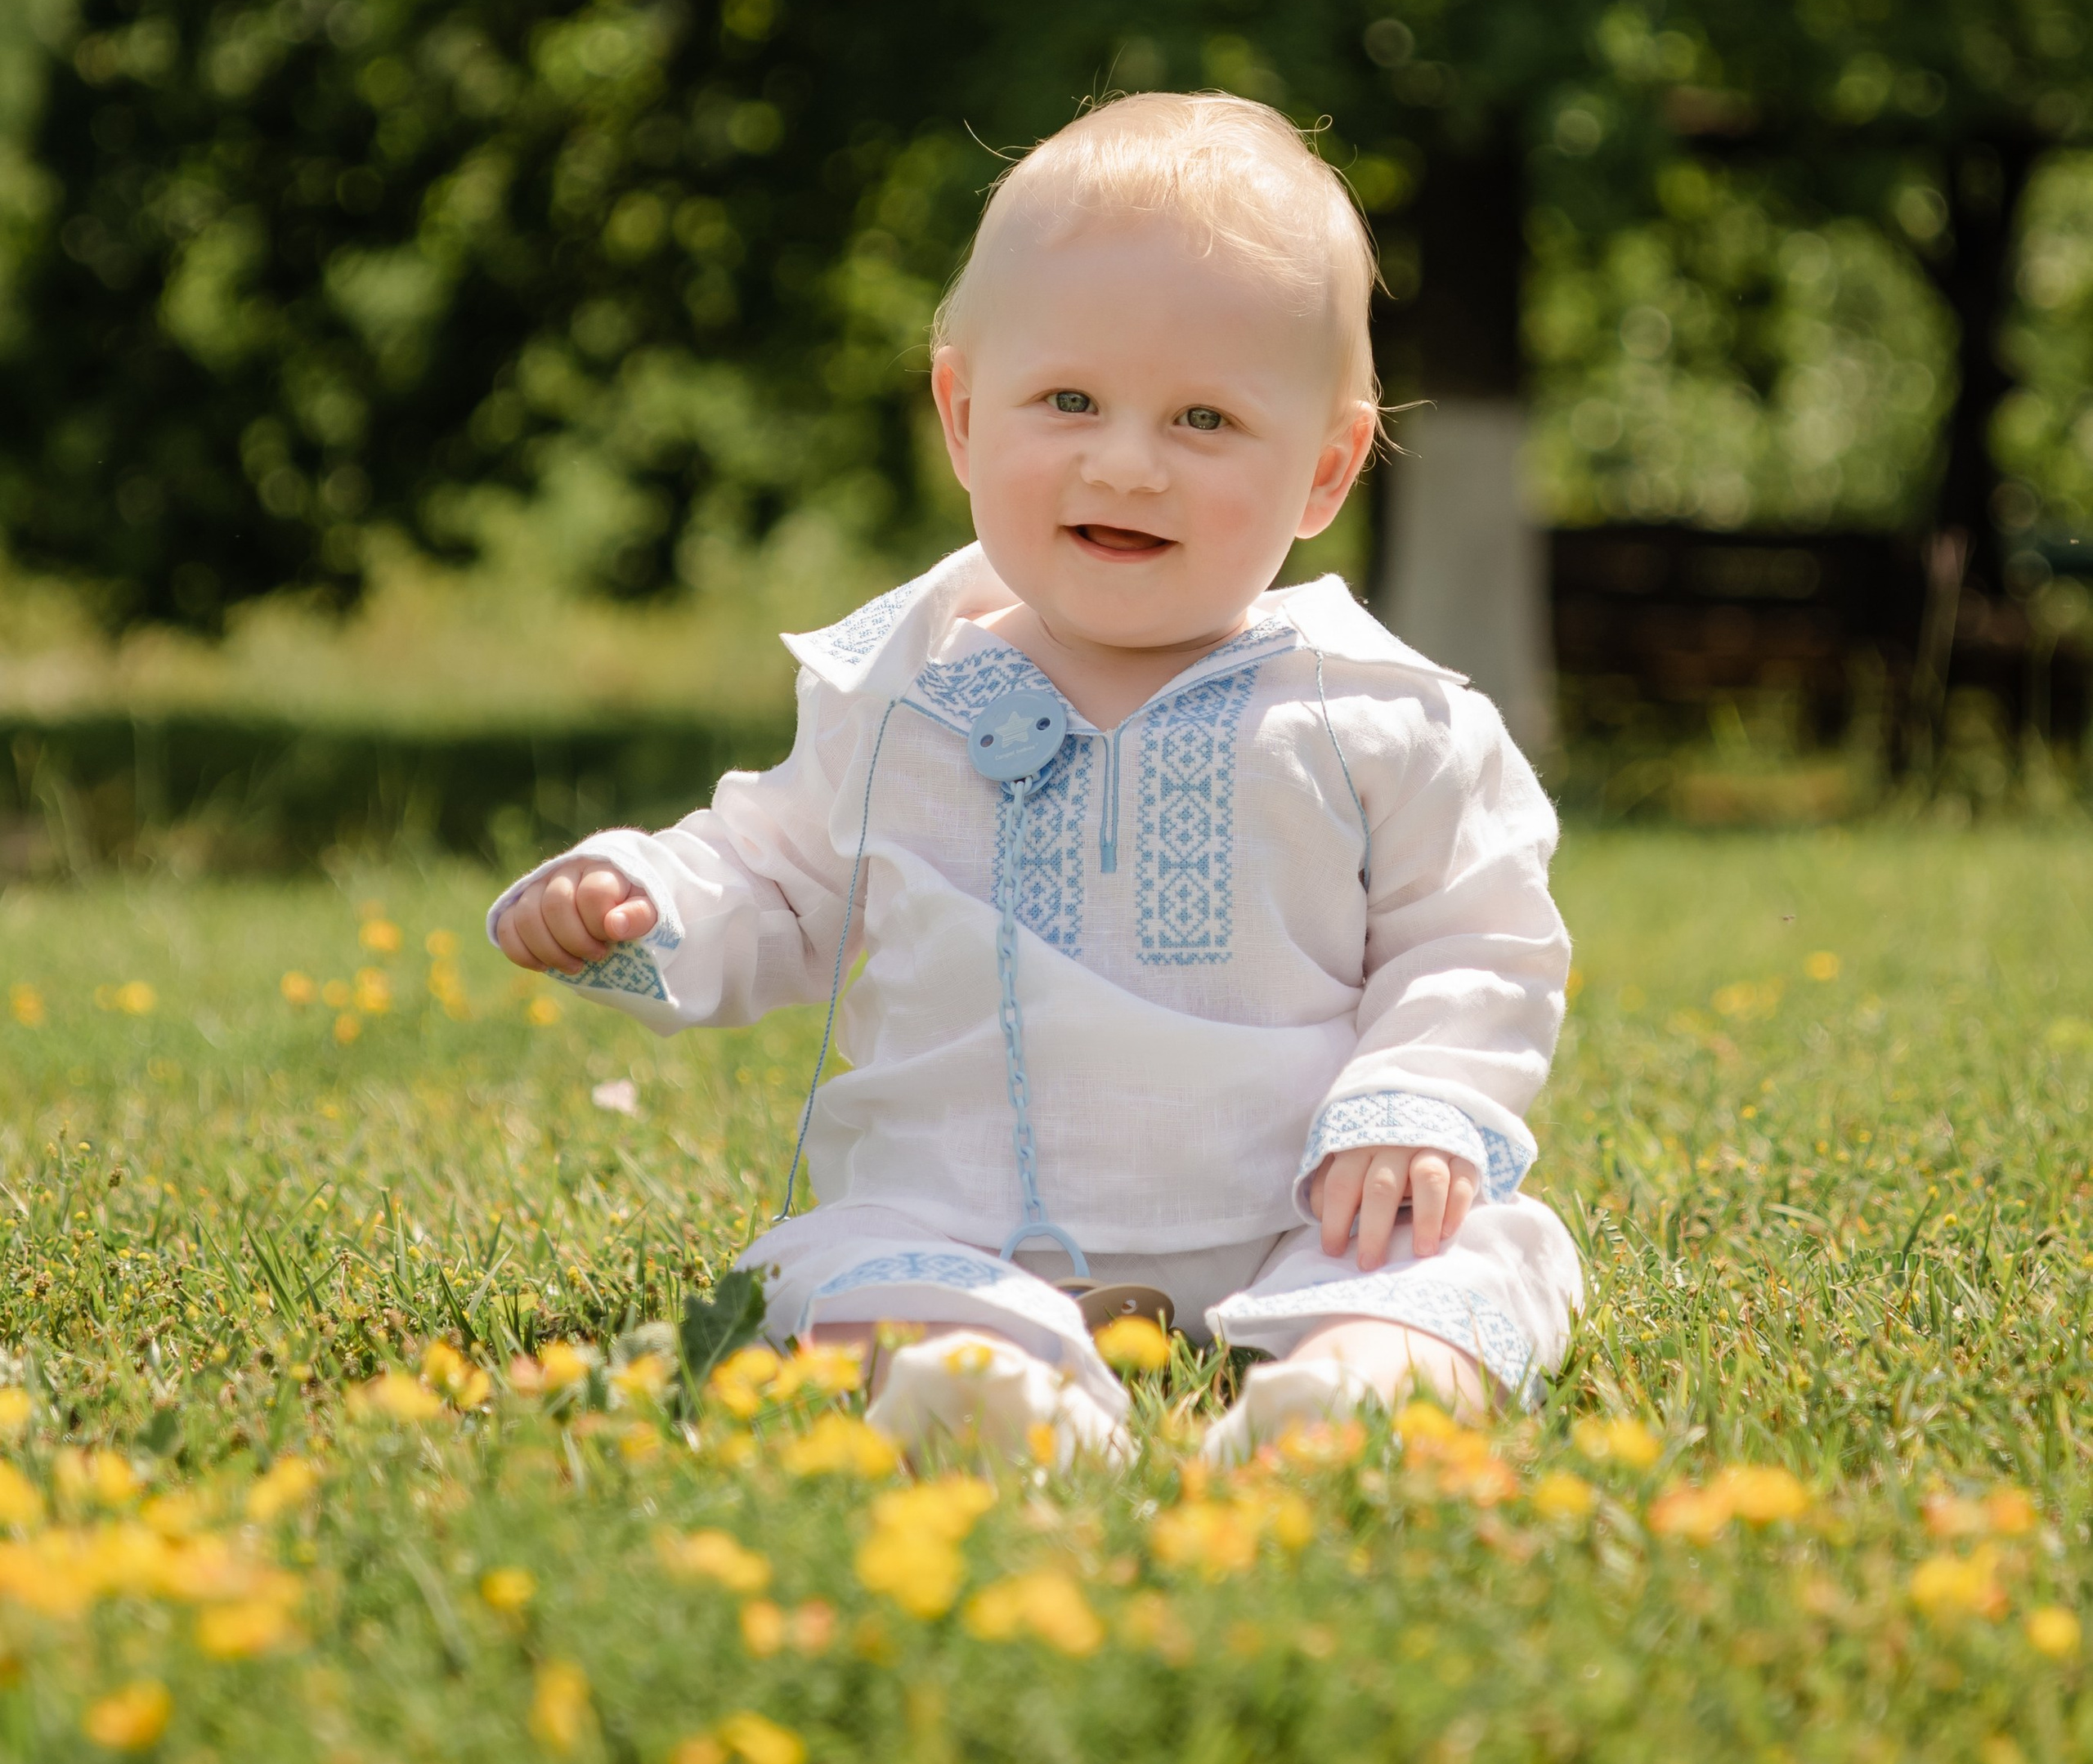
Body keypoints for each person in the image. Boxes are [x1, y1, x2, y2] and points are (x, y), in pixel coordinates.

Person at [488, 92, 1580, 1463]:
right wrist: (640, 892)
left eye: (1203, 418)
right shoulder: (899, 688)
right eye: (1067, 399)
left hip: (1310, 1208)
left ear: (1324, 467)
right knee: (822, 1267)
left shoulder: (1377, 715)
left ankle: (1357, 1386)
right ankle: (987, 1383)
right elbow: (776, 873)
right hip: (958, 1215)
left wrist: (1413, 1103)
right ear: (960, 411)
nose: (1125, 462)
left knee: (1484, 1254)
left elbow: (1473, 939)